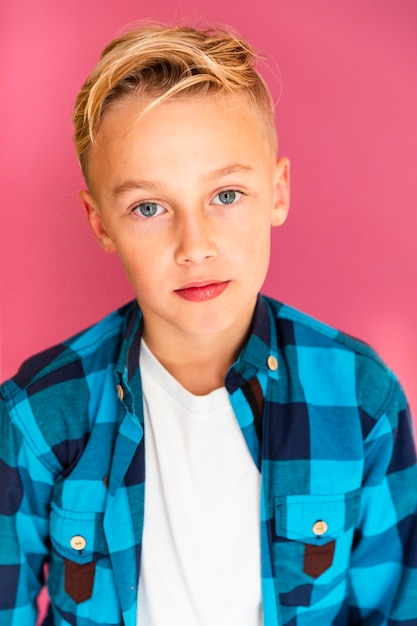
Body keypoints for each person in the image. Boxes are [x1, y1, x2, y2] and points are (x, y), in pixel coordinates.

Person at [0, 23, 416, 626]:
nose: (194, 246)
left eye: (226, 195)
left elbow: (393, 608)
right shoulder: (38, 414)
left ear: (277, 193)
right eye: (149, 207)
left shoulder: (361, 399)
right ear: (100, 223)